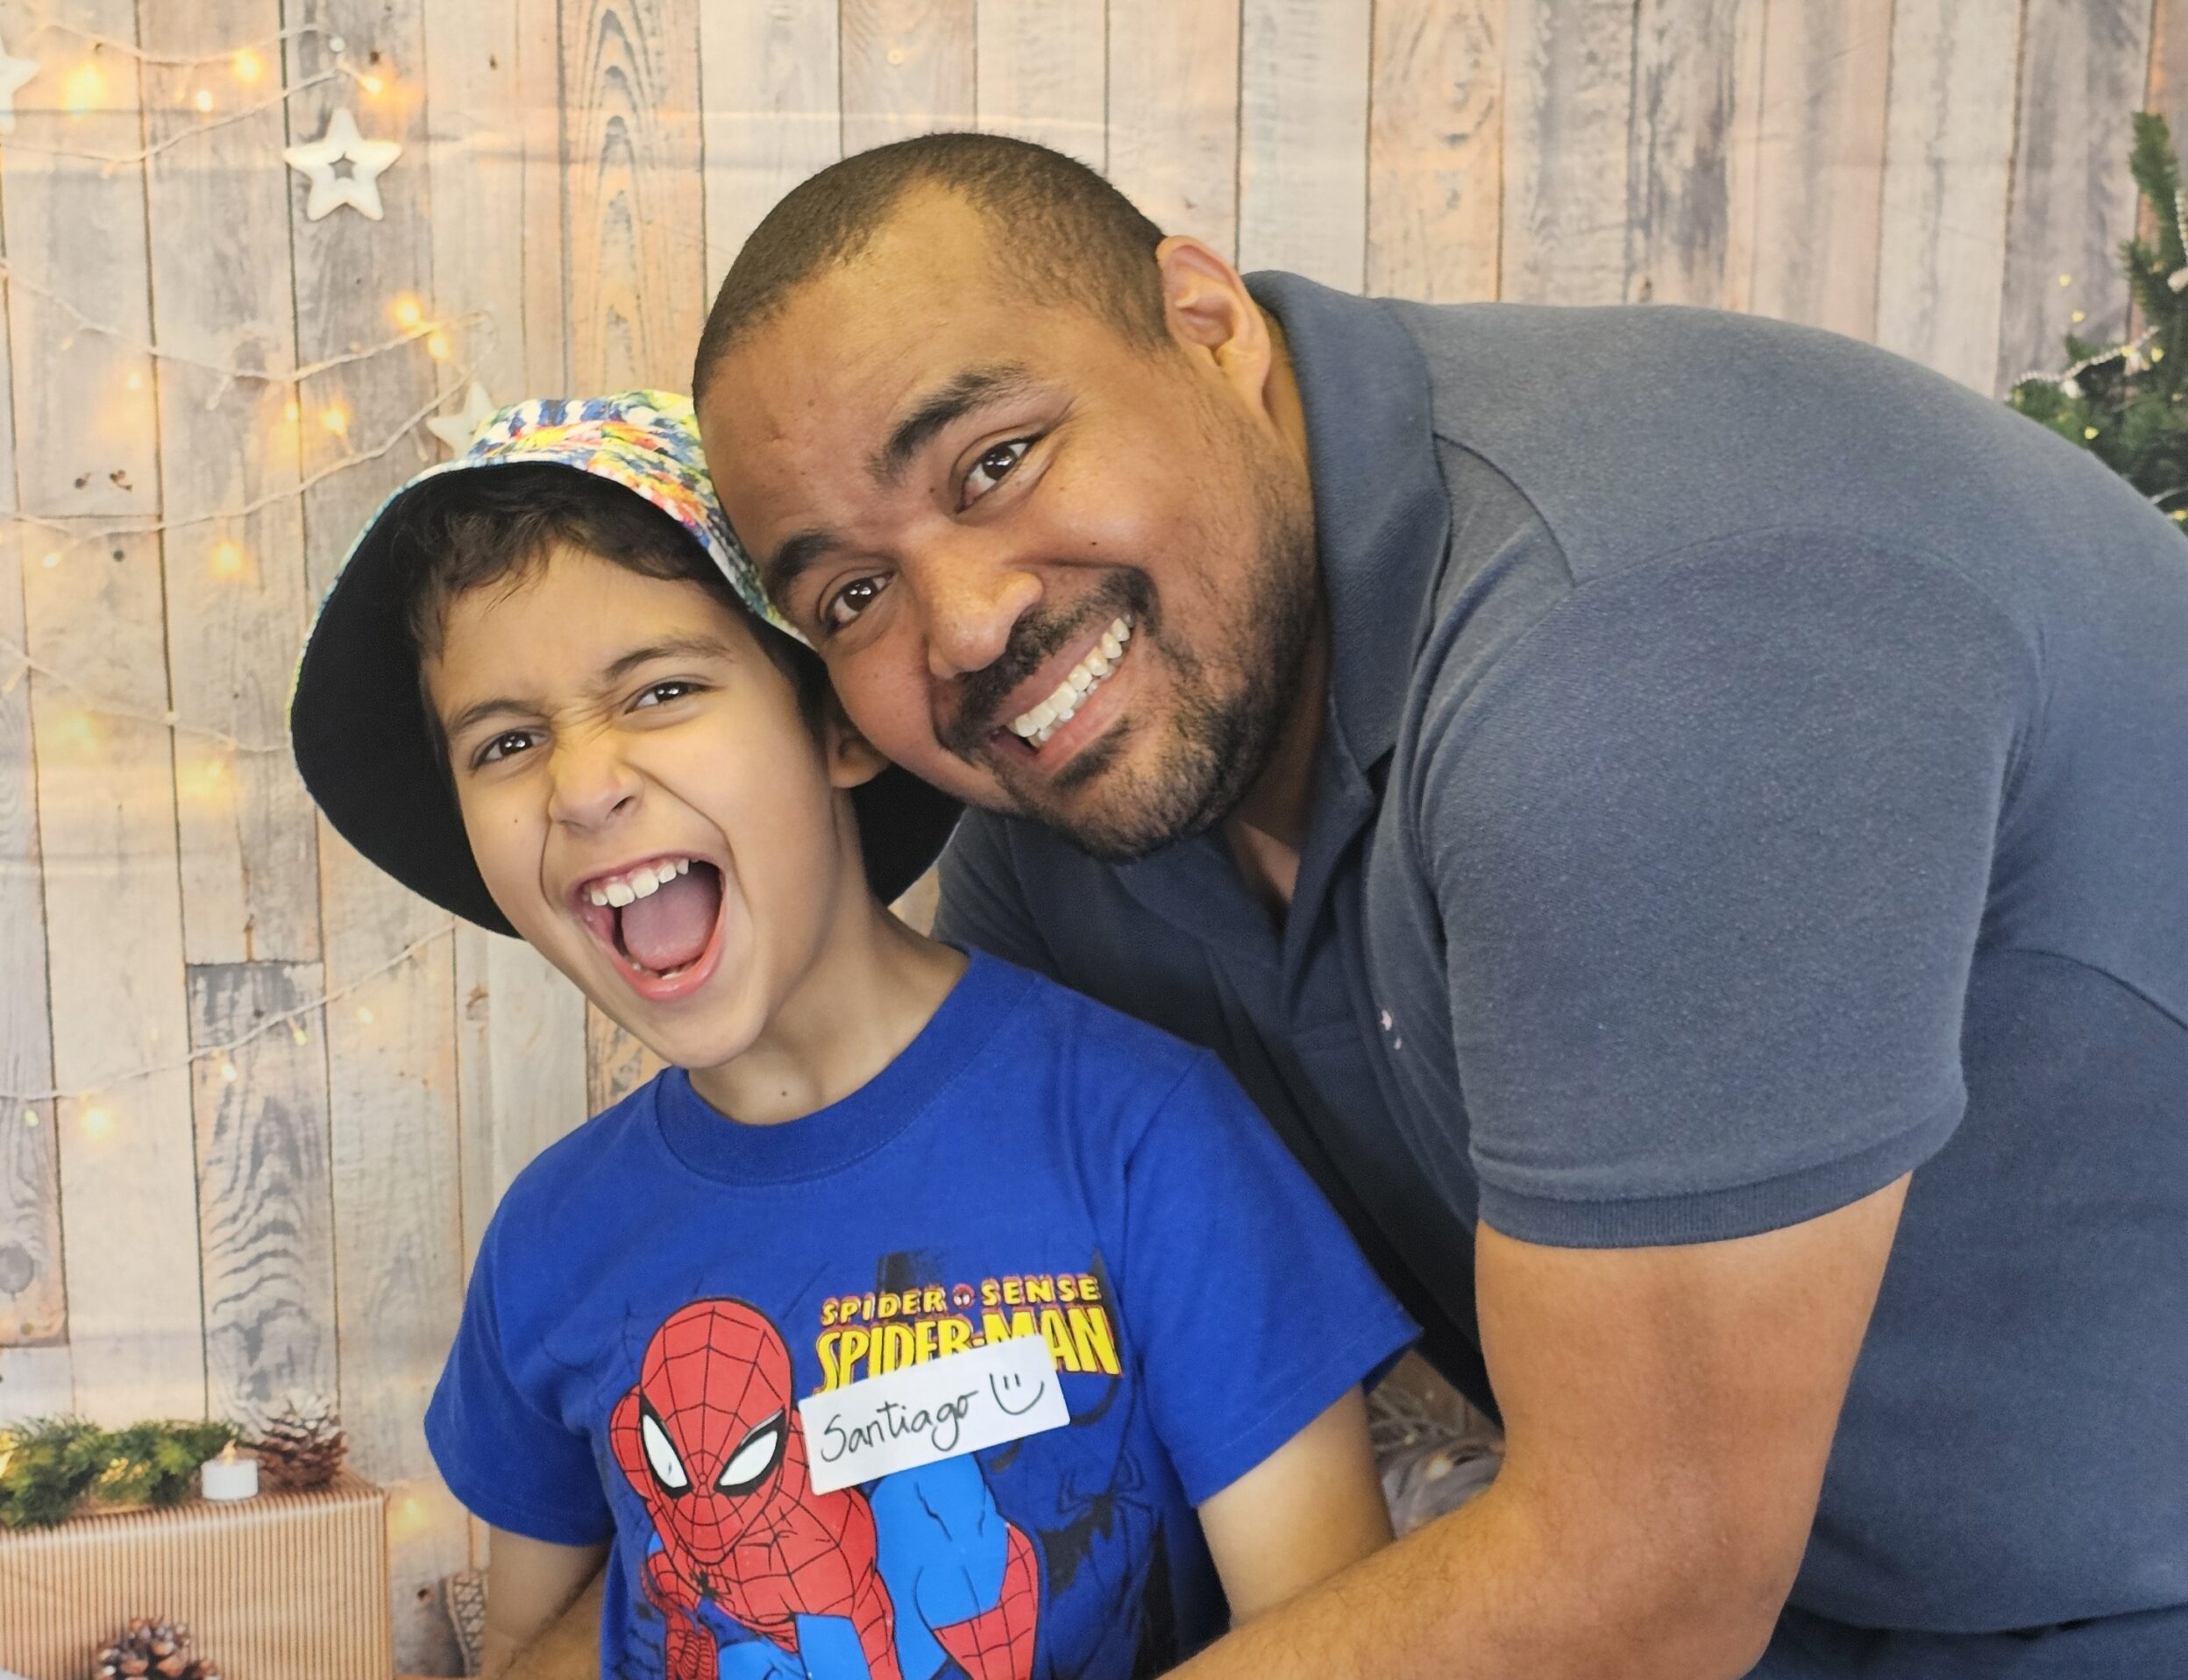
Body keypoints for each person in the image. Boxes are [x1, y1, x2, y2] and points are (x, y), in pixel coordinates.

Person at [688, 134, 2188, 1679]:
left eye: (997, 461)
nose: (966, 624)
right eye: (850, 596)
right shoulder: (1078, 798)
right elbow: (981, 1344)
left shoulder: (1635, 643)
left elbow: (1645, 1578)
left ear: (1207, 324)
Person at [287, 393, 1416, 1679]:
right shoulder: (550, 1239)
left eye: (662, 689)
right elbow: (531, 1641)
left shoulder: (1147, 1140)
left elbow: (1345, 1642)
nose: (582, 785)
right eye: (507, 741)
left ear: (837, 723)